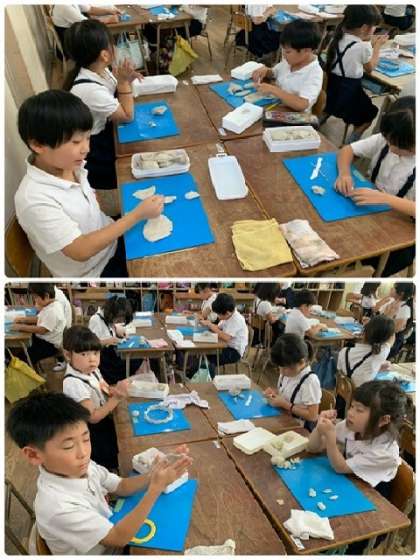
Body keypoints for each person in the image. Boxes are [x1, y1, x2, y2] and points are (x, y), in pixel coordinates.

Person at [6, 392, 192, 555]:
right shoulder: (57, 507)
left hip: (108, 526)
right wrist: (155, 489)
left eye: (86, 439)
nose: (83, 453)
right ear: (33, 455)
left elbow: (121, 486)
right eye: (68, 446)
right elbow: (118, 538)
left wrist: (155, 472)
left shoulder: (78, 466)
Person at [15, 90, 164, 278]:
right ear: (38, 145)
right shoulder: (33, 200)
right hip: (98, 270)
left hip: (110, 237)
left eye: (87, 138)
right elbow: (81, 250)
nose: (86, 148)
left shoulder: (68, 164)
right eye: (76, 142)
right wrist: (136, 215)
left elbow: (91, 198)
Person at [308, 380, 410, 553]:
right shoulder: (351, 427)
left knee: (327, 542)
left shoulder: (386, 453)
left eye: (359, 410)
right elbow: (312, 448)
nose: (350, 413)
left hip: (370, 510)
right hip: (346, 485)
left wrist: (330, 438)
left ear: (384, 420)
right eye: (352, 406)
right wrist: (319, 428)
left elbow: (340, 467)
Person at [336, 96, 415, 276]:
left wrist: (385, 199)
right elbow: (347, 150)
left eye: (402, 148)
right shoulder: (389, 138)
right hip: (370, 209)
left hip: (404, 227)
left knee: (375, 260)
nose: (392, 149)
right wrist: (344, 173)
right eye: (389, 142)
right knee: (338, 238)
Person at [64, 19, 142, 190]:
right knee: (136, 167)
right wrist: (123, 83)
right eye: (112, 43)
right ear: (105, 55)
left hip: (107, 130)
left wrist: (126, 79)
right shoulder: (89, 89)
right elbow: (127, 116)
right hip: (95, 151)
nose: (115, 47)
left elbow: (116, 96)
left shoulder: (100, 70)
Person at [62, 326, 129, 471]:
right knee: (105, 461)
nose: (92, 359)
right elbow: (93, 417)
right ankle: (106, 477)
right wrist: (117, 398)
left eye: (95, 353)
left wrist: (111, 390)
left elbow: (102, 385)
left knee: (117, 445)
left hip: (105, 418)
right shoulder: (73, 382)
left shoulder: (91, 370)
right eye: (84, 354)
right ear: (68, 355)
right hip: (93, 432)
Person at [324, 5, 387, 142]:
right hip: (349, 96)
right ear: (364, 28)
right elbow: (370, 68)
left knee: (349, 107)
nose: (375, 30)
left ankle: (325, 117)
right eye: (374, 26)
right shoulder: (363, 47)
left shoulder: (335, 37)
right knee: (369, 114)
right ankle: (351, 143)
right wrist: (377, 46)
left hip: (331, 94)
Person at [251, 19, 323, 112]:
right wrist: (266, 71)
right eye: (283, 50)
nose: (284, 55)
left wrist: (274, 90)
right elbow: (275, 72)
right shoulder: (291, 61)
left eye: (288, 52)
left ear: (306, 50)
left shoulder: (314, 73)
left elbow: (302, 104)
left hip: (293, 115)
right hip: (277, 105)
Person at [264, 334, 321, 430]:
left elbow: (313, 416)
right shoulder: (288, 372)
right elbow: (287, 392)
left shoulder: (310, 382)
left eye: (285, 368)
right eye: (279, 367)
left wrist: (285, 404)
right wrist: (274, 393)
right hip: (283, 417)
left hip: (299, 427)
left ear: (301, 362)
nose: (281, 372)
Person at [88, 296, 139, 385]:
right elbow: (90, 345)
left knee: (139, 358)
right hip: (105, 365)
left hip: (111, 356)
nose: (120, 321)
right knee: (137, 359)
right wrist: (108, 341)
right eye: (119, 318)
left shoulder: (107, 319)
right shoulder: (96, 320)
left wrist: (117, 331)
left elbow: (110, 331)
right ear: (112, 313)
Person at [12, 283, 66, 366]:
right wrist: (23, 320)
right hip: (43, 339)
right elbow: (39, 318)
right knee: (18, 349)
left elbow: (42, 330)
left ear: (46, 296)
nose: (35, 300)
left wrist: (21, 327)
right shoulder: (50, 305)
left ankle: (29, 370)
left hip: (49, 345)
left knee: (22, 358)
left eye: (35, 297)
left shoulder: (53, 311)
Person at [337, 315, 395, 387]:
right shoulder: (380, 353)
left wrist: (377, 368)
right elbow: (390, 341)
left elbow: (343, 370)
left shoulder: (344, 351)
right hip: (362, 392)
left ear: (364, 332)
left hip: (342, 390)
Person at [200, 293, 248, 378]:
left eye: (219, 314)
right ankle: (203, 375)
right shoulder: (228, 316)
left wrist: (210, 325)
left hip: (234, 352)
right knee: (205, 353)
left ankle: (209, 381)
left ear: (227, 313)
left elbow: (226, 337)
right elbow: (218, 327)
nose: (218, 317)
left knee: (210, 359)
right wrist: (208, 324)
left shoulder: (237, 320)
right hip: (226, 346)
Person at [51, 5, 121, 52]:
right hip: (71, 44)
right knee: (104, 38)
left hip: (76, 34)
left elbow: (90, 9)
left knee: (107, 37)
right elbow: (88, 23)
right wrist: (109, 20)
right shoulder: (64, 6)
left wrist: (110, 11)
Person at [375, 283, 415, 358]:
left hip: (391, 342)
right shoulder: (391, 301)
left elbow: (395, 329)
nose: (391, 289)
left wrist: (388, 315)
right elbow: (376, 310)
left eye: (394, 288)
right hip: (381, 337)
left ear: (401, 293)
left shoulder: (405, 308)